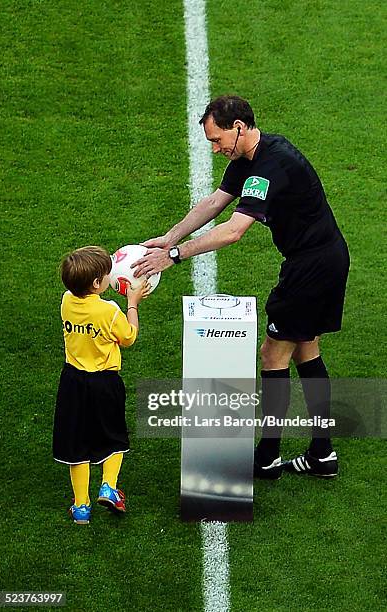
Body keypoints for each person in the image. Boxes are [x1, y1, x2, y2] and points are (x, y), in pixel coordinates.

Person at [132, 95, 350, 480]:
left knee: (272, 355)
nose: (215, 149)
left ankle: (267, 457)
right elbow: (216, 201)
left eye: (217, 141)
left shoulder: (270, 165)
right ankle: (322, 454)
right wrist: (170, 237)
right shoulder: (248, 157)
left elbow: (234, 231)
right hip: (321, 260)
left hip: (312, 268)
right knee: (306, 351)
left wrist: (176, 256)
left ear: (239, 128)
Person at [53, 246, 150, 524]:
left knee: (76, 443)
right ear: (97, 283)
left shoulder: (66, 302)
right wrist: (133, 303)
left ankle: (81, 506)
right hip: (104, 383)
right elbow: (129, 337)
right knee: (113, 435)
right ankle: (109, 485)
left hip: (72, 382)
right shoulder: (109, 310)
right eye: (107, 275)